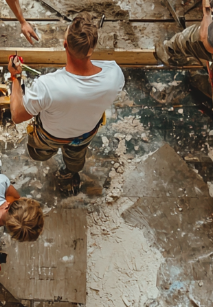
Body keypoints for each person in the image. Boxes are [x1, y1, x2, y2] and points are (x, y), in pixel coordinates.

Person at [7, 12, 125, 195]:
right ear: (92, 48)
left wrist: (15, 77)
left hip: (50, 136)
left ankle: (47, 155)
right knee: (76, 157)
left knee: (38, 152)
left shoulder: (47, 86)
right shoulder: (114, 74)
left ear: (65, 45)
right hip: (85, 133)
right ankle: (71, 172)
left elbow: (17, 115)